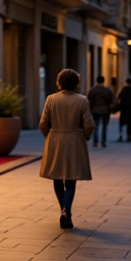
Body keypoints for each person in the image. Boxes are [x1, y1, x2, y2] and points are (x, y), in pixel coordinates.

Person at [38, 69, 94, 230]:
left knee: (57, 178)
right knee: (71, 179)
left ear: (59, 82)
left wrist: (49, 135)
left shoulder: (51, 99)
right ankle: (66, 210)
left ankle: (63, 210)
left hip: (55, 139)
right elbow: (89, 124)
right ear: (76, 83)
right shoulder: (82, 100)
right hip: (74, 141)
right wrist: (85, 136)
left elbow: (43, 123)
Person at [86, 75, 114, 148]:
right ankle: (103, 142)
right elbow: (110, 100)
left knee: (96, 126)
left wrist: (90, 110)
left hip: (95, 110)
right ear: (103, 81)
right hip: (105, 110)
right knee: (104, 126)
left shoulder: (93, 90)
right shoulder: (107, 90)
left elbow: (89, 100)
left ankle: (95, 142)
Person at [115, 77, 131, 142]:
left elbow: (119, 100)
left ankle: (121, 135)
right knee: (130, 123)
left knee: (122, 123)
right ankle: (129, 135)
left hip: (124, 109)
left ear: (126, 83)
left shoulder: (123, 90)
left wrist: (118, 106)